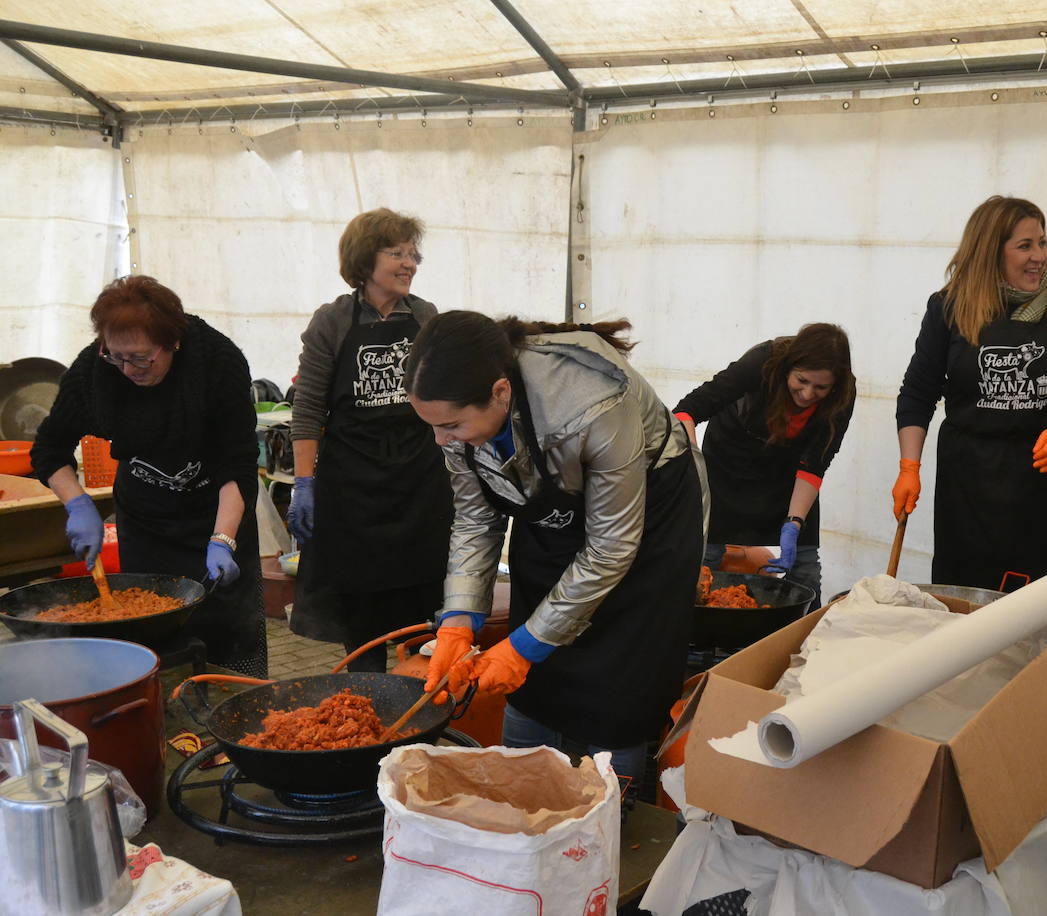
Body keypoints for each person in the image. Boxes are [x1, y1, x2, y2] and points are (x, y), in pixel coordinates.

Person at [406, 312, 704, 785]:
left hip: (647, 524)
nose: (440, 439)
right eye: (433, 426)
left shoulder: (592, 403)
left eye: (452, 425)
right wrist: (459, 619)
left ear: (500, 392)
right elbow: (476, 518)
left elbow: (610, 547)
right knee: (537, 668)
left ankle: (611, 806)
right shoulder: (458, 420)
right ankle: (523, 787)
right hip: (557, 515)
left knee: (618, 675)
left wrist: (524, 647)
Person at [31, 275, 267, 675]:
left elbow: (238, 465)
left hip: (214, 515)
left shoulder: (218, 362)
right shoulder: (94, 368)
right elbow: (49, 449)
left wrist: (223, 538)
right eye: (117, 356)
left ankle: (240, 702)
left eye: (141, 358)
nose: (128, 369)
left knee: (231, 634)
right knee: (156, 642)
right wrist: (78, 504)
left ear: (172, 342)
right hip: (146, 523)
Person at [894, 196, 1047, 590]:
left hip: (1046, 487)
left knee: (1039, 608)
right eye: (1025, 245)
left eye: (1042, 243)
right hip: (969, 488)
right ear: (990, 250)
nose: (1039, 257)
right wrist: (909, 467)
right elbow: (918, 392)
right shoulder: (950, 307)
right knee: (965, 609)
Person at [285, 208, 453, 671]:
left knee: (421, 612)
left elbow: (446, 398)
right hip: (353, 488)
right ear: (365, 259)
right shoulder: (333, 321)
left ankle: (419, 708)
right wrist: (303, 484)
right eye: (396, 252)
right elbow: (308, 409)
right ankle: (366, 702)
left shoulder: (426, 318)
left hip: (418, 483)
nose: (409, 263)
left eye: (413, 254)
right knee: (361, 617)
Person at [673, 324, 855, 604]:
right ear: (788, 369)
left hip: (788, 474)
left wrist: (793, 524)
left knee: (805, 569)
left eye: (820, 387)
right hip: (729, 462)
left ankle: (805, 641)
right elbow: (687, 411)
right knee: (705, 558)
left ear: (835, 385)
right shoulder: (762, 363)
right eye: (801, 380)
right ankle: (691, 635)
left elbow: (816, 463)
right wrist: (694, 469)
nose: (807, 394)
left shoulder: (843, 395)